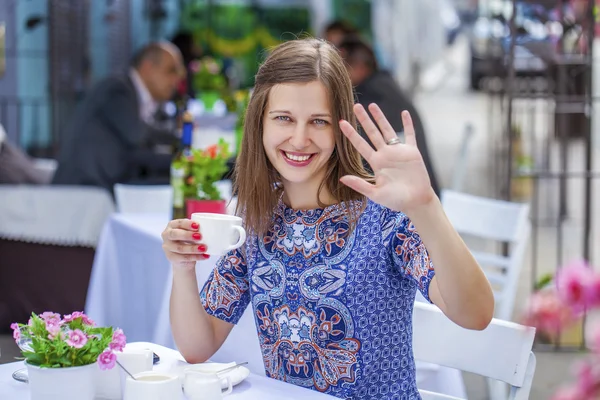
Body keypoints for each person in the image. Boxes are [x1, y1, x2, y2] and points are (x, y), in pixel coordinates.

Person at [162, 38, 494, 399]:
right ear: (260, 123)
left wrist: (426, 205)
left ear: (340, 128)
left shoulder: (384, 216)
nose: (300, 138)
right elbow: (198, 346)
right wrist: (182, 268)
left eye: (318, 122)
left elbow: (474, 314)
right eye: (284, 118)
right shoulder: (259, 217)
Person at [52, 41, 185, 193]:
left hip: (101, 189)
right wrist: (180, 139)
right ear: (148, 67)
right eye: (171, 71)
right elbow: (137, 135)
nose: (176, 80)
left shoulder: (133, 94)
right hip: (81, 192)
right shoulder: (117, 89)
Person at [338, 36, 441, 197]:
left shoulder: (372, 100)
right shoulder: (384, 87)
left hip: (408, 204)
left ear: (360, 67)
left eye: (341, 68)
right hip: (422, 197)